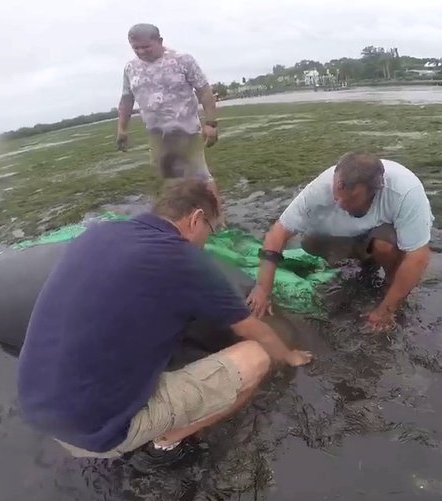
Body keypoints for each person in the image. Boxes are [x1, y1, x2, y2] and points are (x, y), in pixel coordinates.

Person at [16, 177, 312, 468]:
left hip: (38, 407)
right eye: (211, 229)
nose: (208, 240)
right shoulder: (185, 261)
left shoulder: (98, 232)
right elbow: (252, 328)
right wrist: (289, 355)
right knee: (256, 357)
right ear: (197, 219)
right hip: (97, 432)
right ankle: (169, 440)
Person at [246, 152, 434, 332]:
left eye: (357, 200)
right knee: (310, 243)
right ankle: (365, 261)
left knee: (384, 248)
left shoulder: (405, 191)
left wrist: (386, 310)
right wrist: (263, 289)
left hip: (383, 233)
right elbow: (278, 233)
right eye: (343, 198)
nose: (345, 204)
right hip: (351, 234)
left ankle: (390, 282)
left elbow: (418, 257)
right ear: (337, 184)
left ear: (377, 190)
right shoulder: (320, 188)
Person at [116, 23, 219, 190]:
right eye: (136, 48)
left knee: (201, 178)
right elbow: (127, 99)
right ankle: (187, 214)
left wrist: (211, 123)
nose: (141, 52)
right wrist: (122, 128)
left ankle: (214, 215)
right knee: (171, 181)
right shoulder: (130, 68)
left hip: (187, 131)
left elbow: (204, 91)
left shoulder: (182, 60)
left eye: (146, 47)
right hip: (157, 134)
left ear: (160, 41)